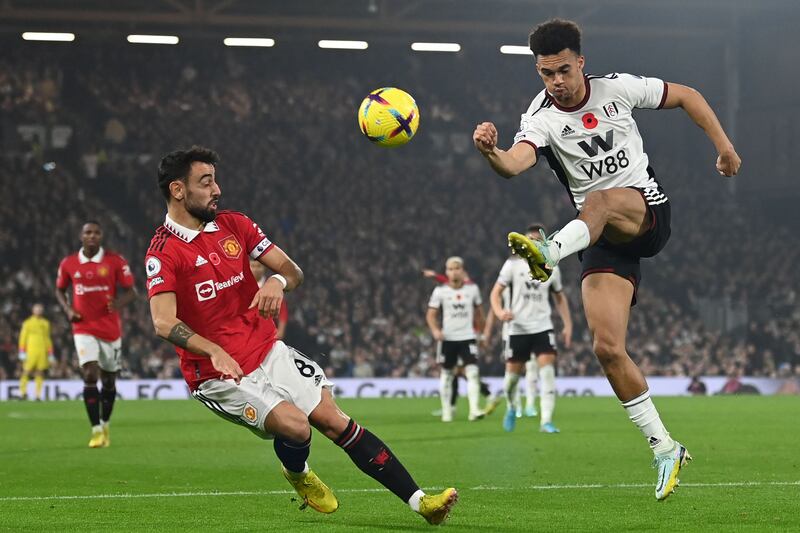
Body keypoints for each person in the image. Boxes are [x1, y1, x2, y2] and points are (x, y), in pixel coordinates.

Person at [473, 19, 740, 500]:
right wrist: (492, 151)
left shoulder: (617, 89)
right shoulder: (540, 117)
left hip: (644, 212)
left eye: (563, 70)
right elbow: (515, 164)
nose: (556, 81)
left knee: (596, 200)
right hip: (598, 235)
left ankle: (549, 251)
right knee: (606, 348)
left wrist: (723, 146)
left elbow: (688, 95)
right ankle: (664, 448)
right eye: (545, 73)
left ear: (581, 63)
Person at [145, 146, 456, 524]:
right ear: (178, 190)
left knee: (334, 420)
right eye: (206, 182)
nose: (217, 190)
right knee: (295, 426)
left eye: (215, 180)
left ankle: (422, 502)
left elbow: (293, 271)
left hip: (265, 349)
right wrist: (212, 350)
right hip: (216, 374)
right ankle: (298, 473)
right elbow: (163, 322)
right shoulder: (164, 252)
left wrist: (276, 281)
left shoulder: (235, 225)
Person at [56, 220, 137, 448]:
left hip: (110, 330)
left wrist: (118, 303)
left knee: (109, 381)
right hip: (83, 327)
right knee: (90, 374)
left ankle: (105, 422)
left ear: (101, 236)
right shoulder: (69, 263)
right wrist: (67, 309)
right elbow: (59, 289)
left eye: (96, 233)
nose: (92, 236)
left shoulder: (115, 261)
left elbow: (133, 292)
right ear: (81, 236)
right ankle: (95, 431)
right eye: (88, 232)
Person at [489, 223, 573, 433]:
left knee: (547, 374)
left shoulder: (552, 267)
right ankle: (511, 407)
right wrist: (499, 312)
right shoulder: (512, 265)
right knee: (511, 381)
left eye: (537, 241)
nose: (533, 244)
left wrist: (567, 324)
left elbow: (560, 297)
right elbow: (495, 293)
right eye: (530, 240)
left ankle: (546, 421)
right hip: (517, 328)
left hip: (542, 326)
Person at [425, 257, 485, 422]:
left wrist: (482, 334)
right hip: (448, 339)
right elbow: (431, 315)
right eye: (450, 269)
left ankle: (474, 410)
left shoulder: (472, 289)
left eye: (457, 268)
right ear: (446, 272)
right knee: (447, 374)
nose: (454, 271)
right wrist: (436, 330)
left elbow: (480, 313)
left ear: (462, 270)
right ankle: (447, 412)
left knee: (472, 373)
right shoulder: (440, 291)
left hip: (468, 337)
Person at [17, 303, 55, 401]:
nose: (38, 311)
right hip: (31, 351)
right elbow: (23, 337)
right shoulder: (27, 323)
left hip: (42, 352)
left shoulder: (46, 323)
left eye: (40, 309)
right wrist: (22, 351)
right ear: (33, 311)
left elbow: (48, 339)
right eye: (37, 309)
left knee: (40, 373)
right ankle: (22, 393)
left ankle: (37, 395)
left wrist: (50, 353)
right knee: (26, 371)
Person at [250, 258, 289, 340]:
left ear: (263, 268)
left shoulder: (272, 286)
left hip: (269, 332)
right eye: (253, 266)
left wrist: (280, 332)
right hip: (248, 331)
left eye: (259, 266)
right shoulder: (243, 286)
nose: (256, 269)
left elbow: (282, 310)